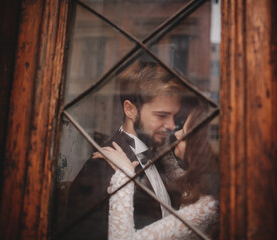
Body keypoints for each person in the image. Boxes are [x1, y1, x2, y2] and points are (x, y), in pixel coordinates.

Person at [65, 61, 185, 239]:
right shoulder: (99, 167)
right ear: (130, 109)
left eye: (174, 116)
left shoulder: (160, 157)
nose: (172, 125)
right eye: (162, 115)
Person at [94, 104, 219, 239]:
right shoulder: (204, 184)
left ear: (198, 149)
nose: (175, 132)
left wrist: (124, 174)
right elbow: (179, 177)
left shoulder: (207, 207)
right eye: (161, 115)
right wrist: (161, 150)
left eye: (183, 133)